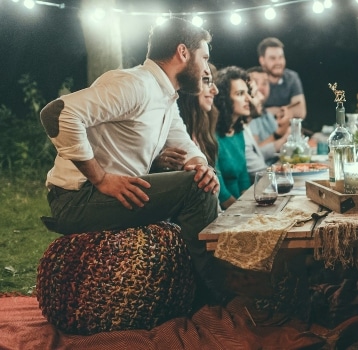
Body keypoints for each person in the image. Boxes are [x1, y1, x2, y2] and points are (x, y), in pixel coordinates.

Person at [38, 17, 227, 303]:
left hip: (110, 196)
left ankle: (202, 287)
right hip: (77, 199)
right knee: (195, 190)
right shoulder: (135, 85)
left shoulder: (165, 97)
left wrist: (203, 167)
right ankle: (221, 295)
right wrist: (100, 178)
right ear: (183, 52)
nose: (205, 69)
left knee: (201, 180)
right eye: (204, 58)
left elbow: (186, 145)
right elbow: (58, 113)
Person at [213, 66, 270, 208]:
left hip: (241, 205)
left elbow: (244, 178)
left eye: (247, 93)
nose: (248, 99)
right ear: (225, 99)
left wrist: (249, 206)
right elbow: (222, 193)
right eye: (239, 94)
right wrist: (242, 211)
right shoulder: (212, 135)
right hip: (224, 212)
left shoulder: (238, 132)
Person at [154, 65, 220, 171]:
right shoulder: (168, 125)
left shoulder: (206, 125)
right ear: (188, 84)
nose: (215, 90)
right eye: (207, 81)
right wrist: (154, 163)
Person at [246, 65, 289, 165]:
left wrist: (284, 130)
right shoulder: (250, 116)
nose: (260, 88)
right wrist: (280, 136)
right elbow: (254, 153)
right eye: (255, 83)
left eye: (265, 83)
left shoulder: (266, 113)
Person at [258, 37, 306, 123]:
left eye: (281, 57)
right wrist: (287, 110)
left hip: (287, 129)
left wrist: (270, 111)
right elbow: (251, 113)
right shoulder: (255, 79)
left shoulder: (292, 77)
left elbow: (301, 112)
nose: (278, 62)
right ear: (262, 60)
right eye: (272, 58)